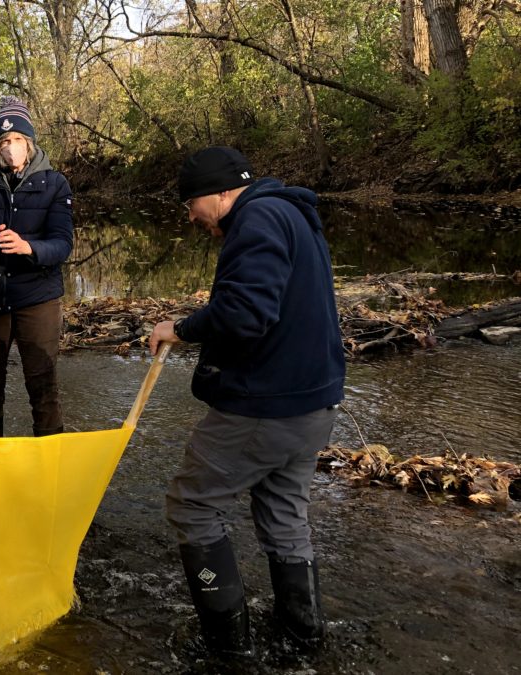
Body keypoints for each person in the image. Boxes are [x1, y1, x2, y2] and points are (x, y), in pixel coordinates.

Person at [148, 147, 346, 656]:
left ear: (220, 192)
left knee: (192, 506)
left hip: (267, 403)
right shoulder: (289, 212)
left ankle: (226, 648)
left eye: (191, 203)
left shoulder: (256, 218)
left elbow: (246, 311)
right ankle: (303, 640)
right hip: (314, 403)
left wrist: (183, 328)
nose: (190, 215)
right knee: (284, 515)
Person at [0, 96, 74, 438]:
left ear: (29, 142)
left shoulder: (55, 183)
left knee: (42, 382)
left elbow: (62, 244)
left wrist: (28, 247)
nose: (10, 147)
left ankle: (50, 459)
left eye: (17, 140)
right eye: (3, 141)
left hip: (37, 296)